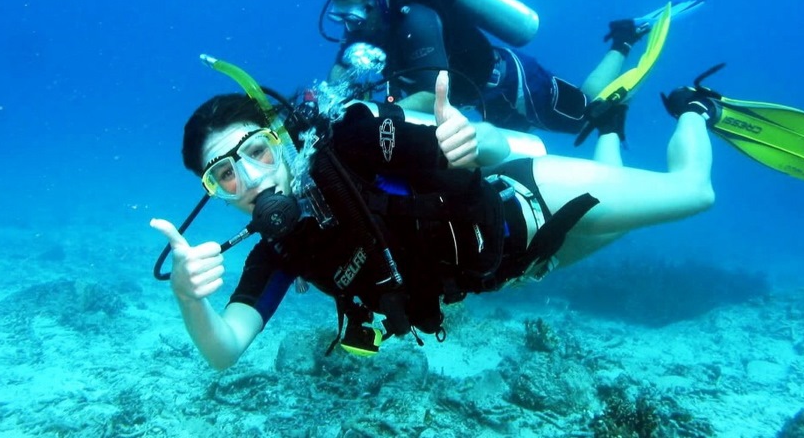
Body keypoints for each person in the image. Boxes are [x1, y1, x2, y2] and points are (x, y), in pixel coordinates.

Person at [152, 64, 725, 370]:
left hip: (530, 201)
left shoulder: (350, 144)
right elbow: (225, 350)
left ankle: (695, 105)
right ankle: (608, 126)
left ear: (281, 139)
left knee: (694, 194)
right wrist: (189, 299)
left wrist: (479, 139)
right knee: (623, 224)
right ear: (214, 194)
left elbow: (486, 148)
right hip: (519, 268)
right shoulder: (277, 252)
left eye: (256, 152)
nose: (250, 180)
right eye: (223, 174)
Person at [322, 0, 702, 139]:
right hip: (481, 102)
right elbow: (339, 77)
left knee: (585, 116)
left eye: (354, 16)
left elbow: (433, 92)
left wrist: (372, 120)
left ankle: (625, 38)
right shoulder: (364, 31)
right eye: (340, 18)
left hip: (515, 83)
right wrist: (321, 109)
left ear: (376, 1)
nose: (349, 28)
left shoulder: (414, 20)